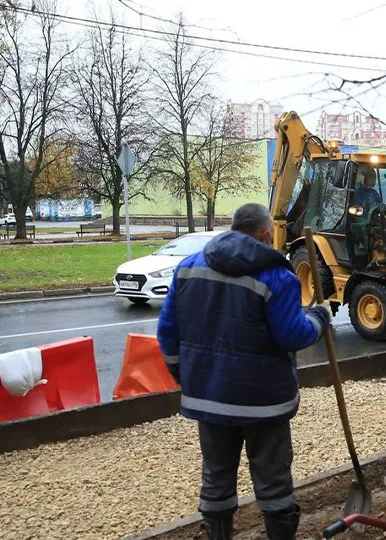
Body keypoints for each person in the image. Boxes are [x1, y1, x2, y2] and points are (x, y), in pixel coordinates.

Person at [157, 203, 332, 540]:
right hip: (263, 403)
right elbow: (292, 335)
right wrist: (320, 318)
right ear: (266, 235)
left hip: (209, 400)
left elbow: (167, 334)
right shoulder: (277, 276)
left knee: (216, 476)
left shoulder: (189, 268)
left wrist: (188, 379)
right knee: (273, 480)